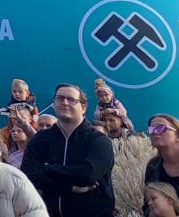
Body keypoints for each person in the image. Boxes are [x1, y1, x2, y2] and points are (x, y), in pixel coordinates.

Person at [20, 84, 113, 217]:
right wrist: (68, 187)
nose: (65, 102)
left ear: (83, 107)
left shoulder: (99, 140)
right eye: (60, 98)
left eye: (71, 99)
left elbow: (88, 174)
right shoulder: (41, 139)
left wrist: (49, 169)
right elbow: (29, 174)